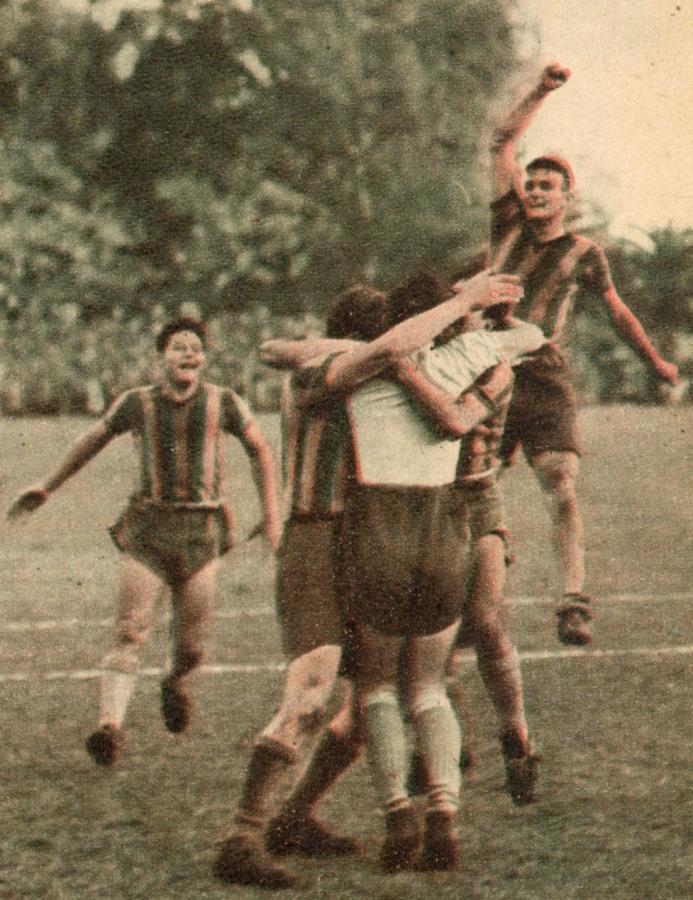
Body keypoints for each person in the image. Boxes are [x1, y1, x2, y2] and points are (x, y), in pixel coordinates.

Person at [213, 270, 531, 886]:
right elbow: (370, 353)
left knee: (367, 702)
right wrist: (465, 308)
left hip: (361, 538)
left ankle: (294, 817)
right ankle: (241, 836)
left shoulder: (357, 368)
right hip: (316, 538)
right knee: (311, 691)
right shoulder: (332, 369)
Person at [8, 317, 281, 766]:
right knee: (130, 628)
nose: (189, 353)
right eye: (179, 347)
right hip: (148, 529)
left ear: (205, 359)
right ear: (162, 357)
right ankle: (109, 727)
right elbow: (91, 440)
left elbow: (260, 450)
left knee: (192, 648)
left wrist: (272, 515)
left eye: (196, 347)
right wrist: (47, 485)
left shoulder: (224, 402)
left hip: (202, 531)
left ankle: (175, 682)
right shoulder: (136, 403)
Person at [489, 62, 680, 645]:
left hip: (542, 371)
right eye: (532, 182)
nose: (536, 190)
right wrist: (541, 92)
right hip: (486, 363)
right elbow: (504, 141)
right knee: (473, 480)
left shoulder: (584, 253)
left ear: (569, 198)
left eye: (549, 185)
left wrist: (656, 364)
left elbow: (618, 311)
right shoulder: (505, 222)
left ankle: (573, 599)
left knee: (560, 476)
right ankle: (487, 562)